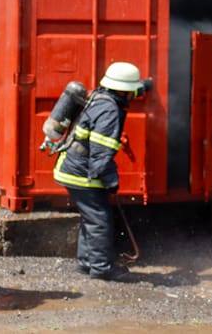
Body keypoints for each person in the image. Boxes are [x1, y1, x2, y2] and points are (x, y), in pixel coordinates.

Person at [53, 62, 151, 281]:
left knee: (91, 217)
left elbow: (128, 90)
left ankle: (86, 263)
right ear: (123, 90)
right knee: (100, 219)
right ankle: (101, 268)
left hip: (70, 167)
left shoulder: (99, 95)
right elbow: (100, 152)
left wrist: (145, 85)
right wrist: (110, 180)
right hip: (82, 172)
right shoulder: (110, 111)